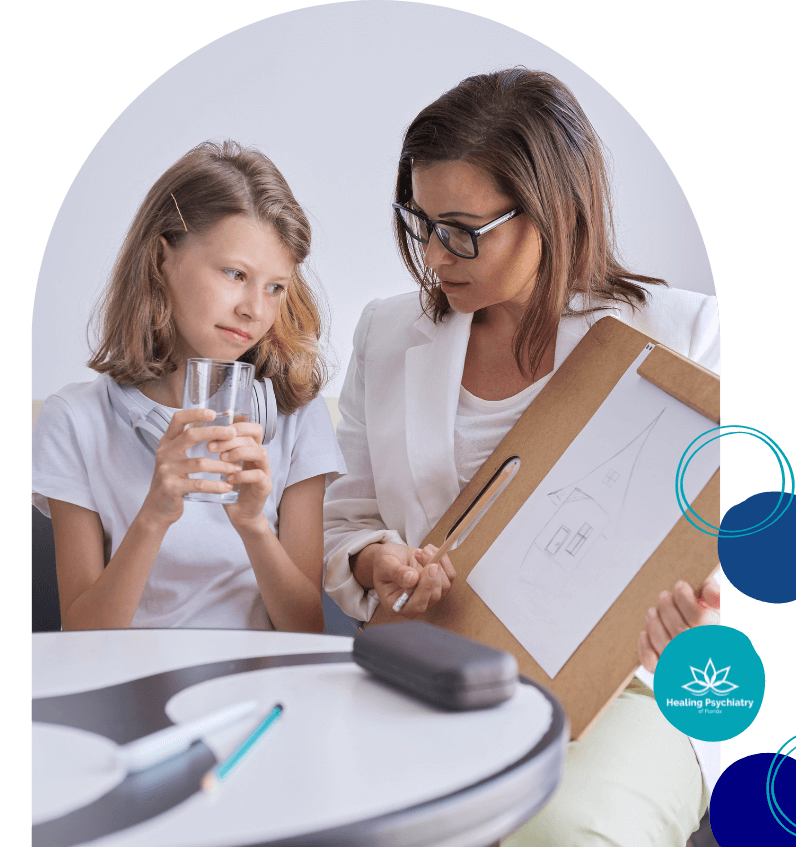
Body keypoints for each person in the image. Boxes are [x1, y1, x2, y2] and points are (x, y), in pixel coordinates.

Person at [323, 69, 720, 845]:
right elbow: (348, 514)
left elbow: (753, 540)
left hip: (625, 689)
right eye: (419, 221)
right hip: (433, 668)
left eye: (463, 229)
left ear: (553, 212)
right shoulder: (385, 332)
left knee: (564, 832)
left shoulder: (683, 338)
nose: (434, 255)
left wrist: (706, 605)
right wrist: (377, 562)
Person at [32, 140, 346, 632]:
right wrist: (154, 513)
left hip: (262, 693)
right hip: (130, 692)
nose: (254, 309)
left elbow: (306, 629)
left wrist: (252, 524)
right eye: (235, 273)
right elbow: (83, 635)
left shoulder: (295, 416)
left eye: (275, 287)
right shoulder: (75, 419)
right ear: (162, 259)